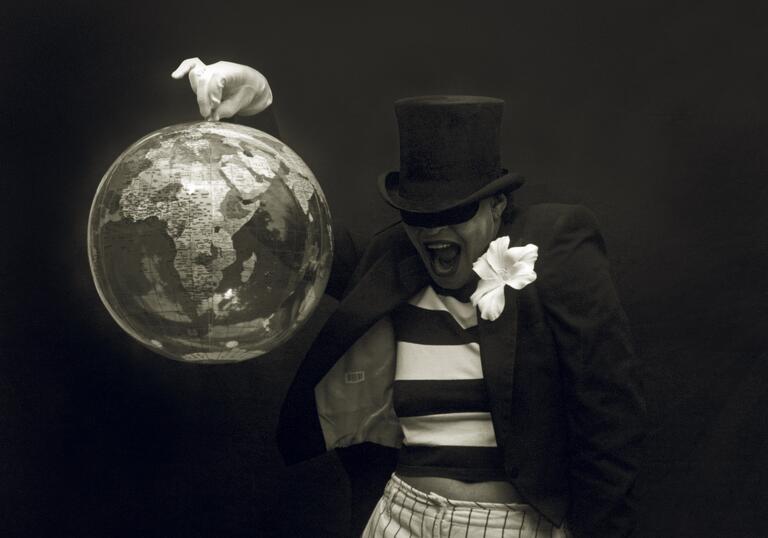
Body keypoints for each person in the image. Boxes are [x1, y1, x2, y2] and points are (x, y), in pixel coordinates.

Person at [173, 58, 646, 538]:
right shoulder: (395, 261)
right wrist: (256, 113)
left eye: (456, 211)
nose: (434, 227)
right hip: (399, 518)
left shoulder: (556, 248)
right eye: (418, 213)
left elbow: (610, 425)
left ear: (498, 205)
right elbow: (298, 237)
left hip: (510, 525)